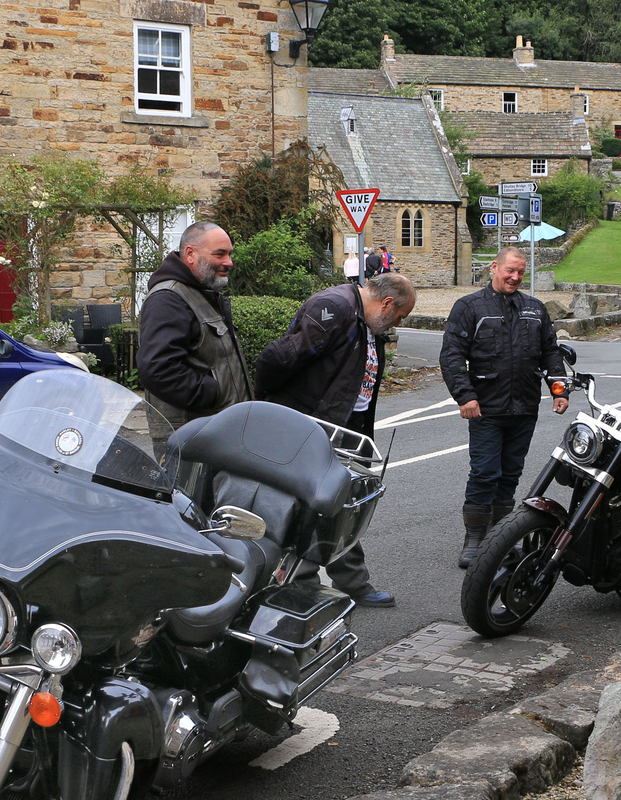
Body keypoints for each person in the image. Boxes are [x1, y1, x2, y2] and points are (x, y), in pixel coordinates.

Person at [255, 272, 417, 607]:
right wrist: (272, 410)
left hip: (343, 427)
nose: (396, 324)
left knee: (342, 503)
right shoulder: (334, 307)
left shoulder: (367, 320)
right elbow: (279, 358)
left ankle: (351, 582)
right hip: (311, 426)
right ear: (386, 304)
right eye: (399, 317)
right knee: (310, 505)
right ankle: (304, 585)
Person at [439, 245, 568, 568]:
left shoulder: (535, 308)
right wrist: (465, 396)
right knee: (484, 473)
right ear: (494, 268)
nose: (514, 277)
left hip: (524, 407)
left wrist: (558, 388)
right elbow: (452, 355)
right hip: (486, 408)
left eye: (520, 272)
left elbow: (550, 352)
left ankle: (499, 539)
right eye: (509, 270)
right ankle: (474, 540)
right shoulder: (469, 307)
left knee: (510, 474)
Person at [137, 221, 252, 426]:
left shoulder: (202, 293)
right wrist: (213, 393)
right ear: (190, 254)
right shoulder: (168, 299)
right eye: (219, 254)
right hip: (193, 437)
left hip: (218, 427)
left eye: (229, 254)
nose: (229, 262)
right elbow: (157, 369)